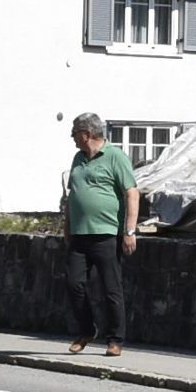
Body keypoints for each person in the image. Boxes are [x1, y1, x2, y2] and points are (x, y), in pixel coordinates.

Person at [61, 113, 140, 356]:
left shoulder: (115, 156)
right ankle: (87, 330)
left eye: (75, 133)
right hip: (79, 233)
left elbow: (132, 193)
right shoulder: (78, 158)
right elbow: (72, 194)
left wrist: (129, 230)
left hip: (106, 233)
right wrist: (67, 224)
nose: (72, 138)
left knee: (111, 289)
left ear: (88, 133)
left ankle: (115, 339)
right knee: (74, 283)